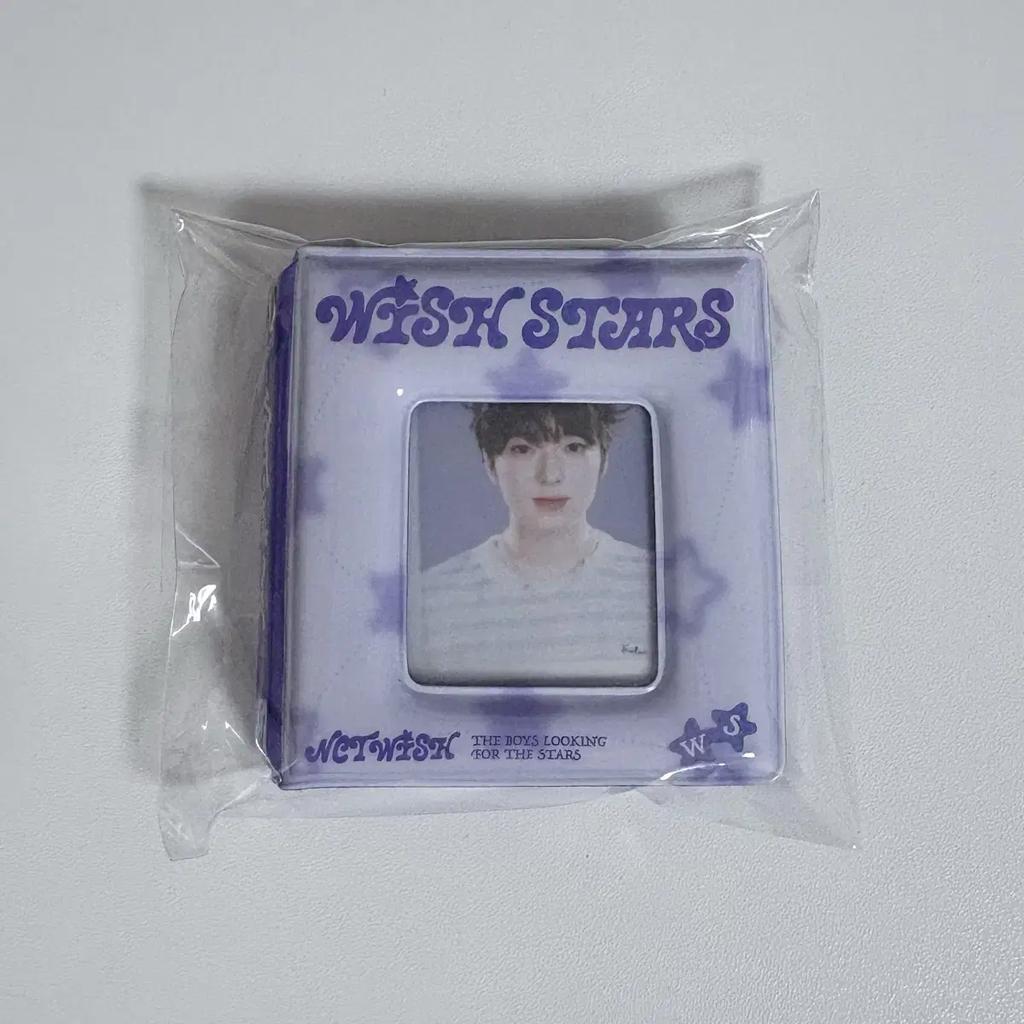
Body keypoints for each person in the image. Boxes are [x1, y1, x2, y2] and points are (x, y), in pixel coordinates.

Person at [408, 402, 657, 686]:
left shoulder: (655, 584)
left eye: (573, 447)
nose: (550, 475)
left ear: (604, 460)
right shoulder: (430, 599)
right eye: (523, 449)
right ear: (490, 464)